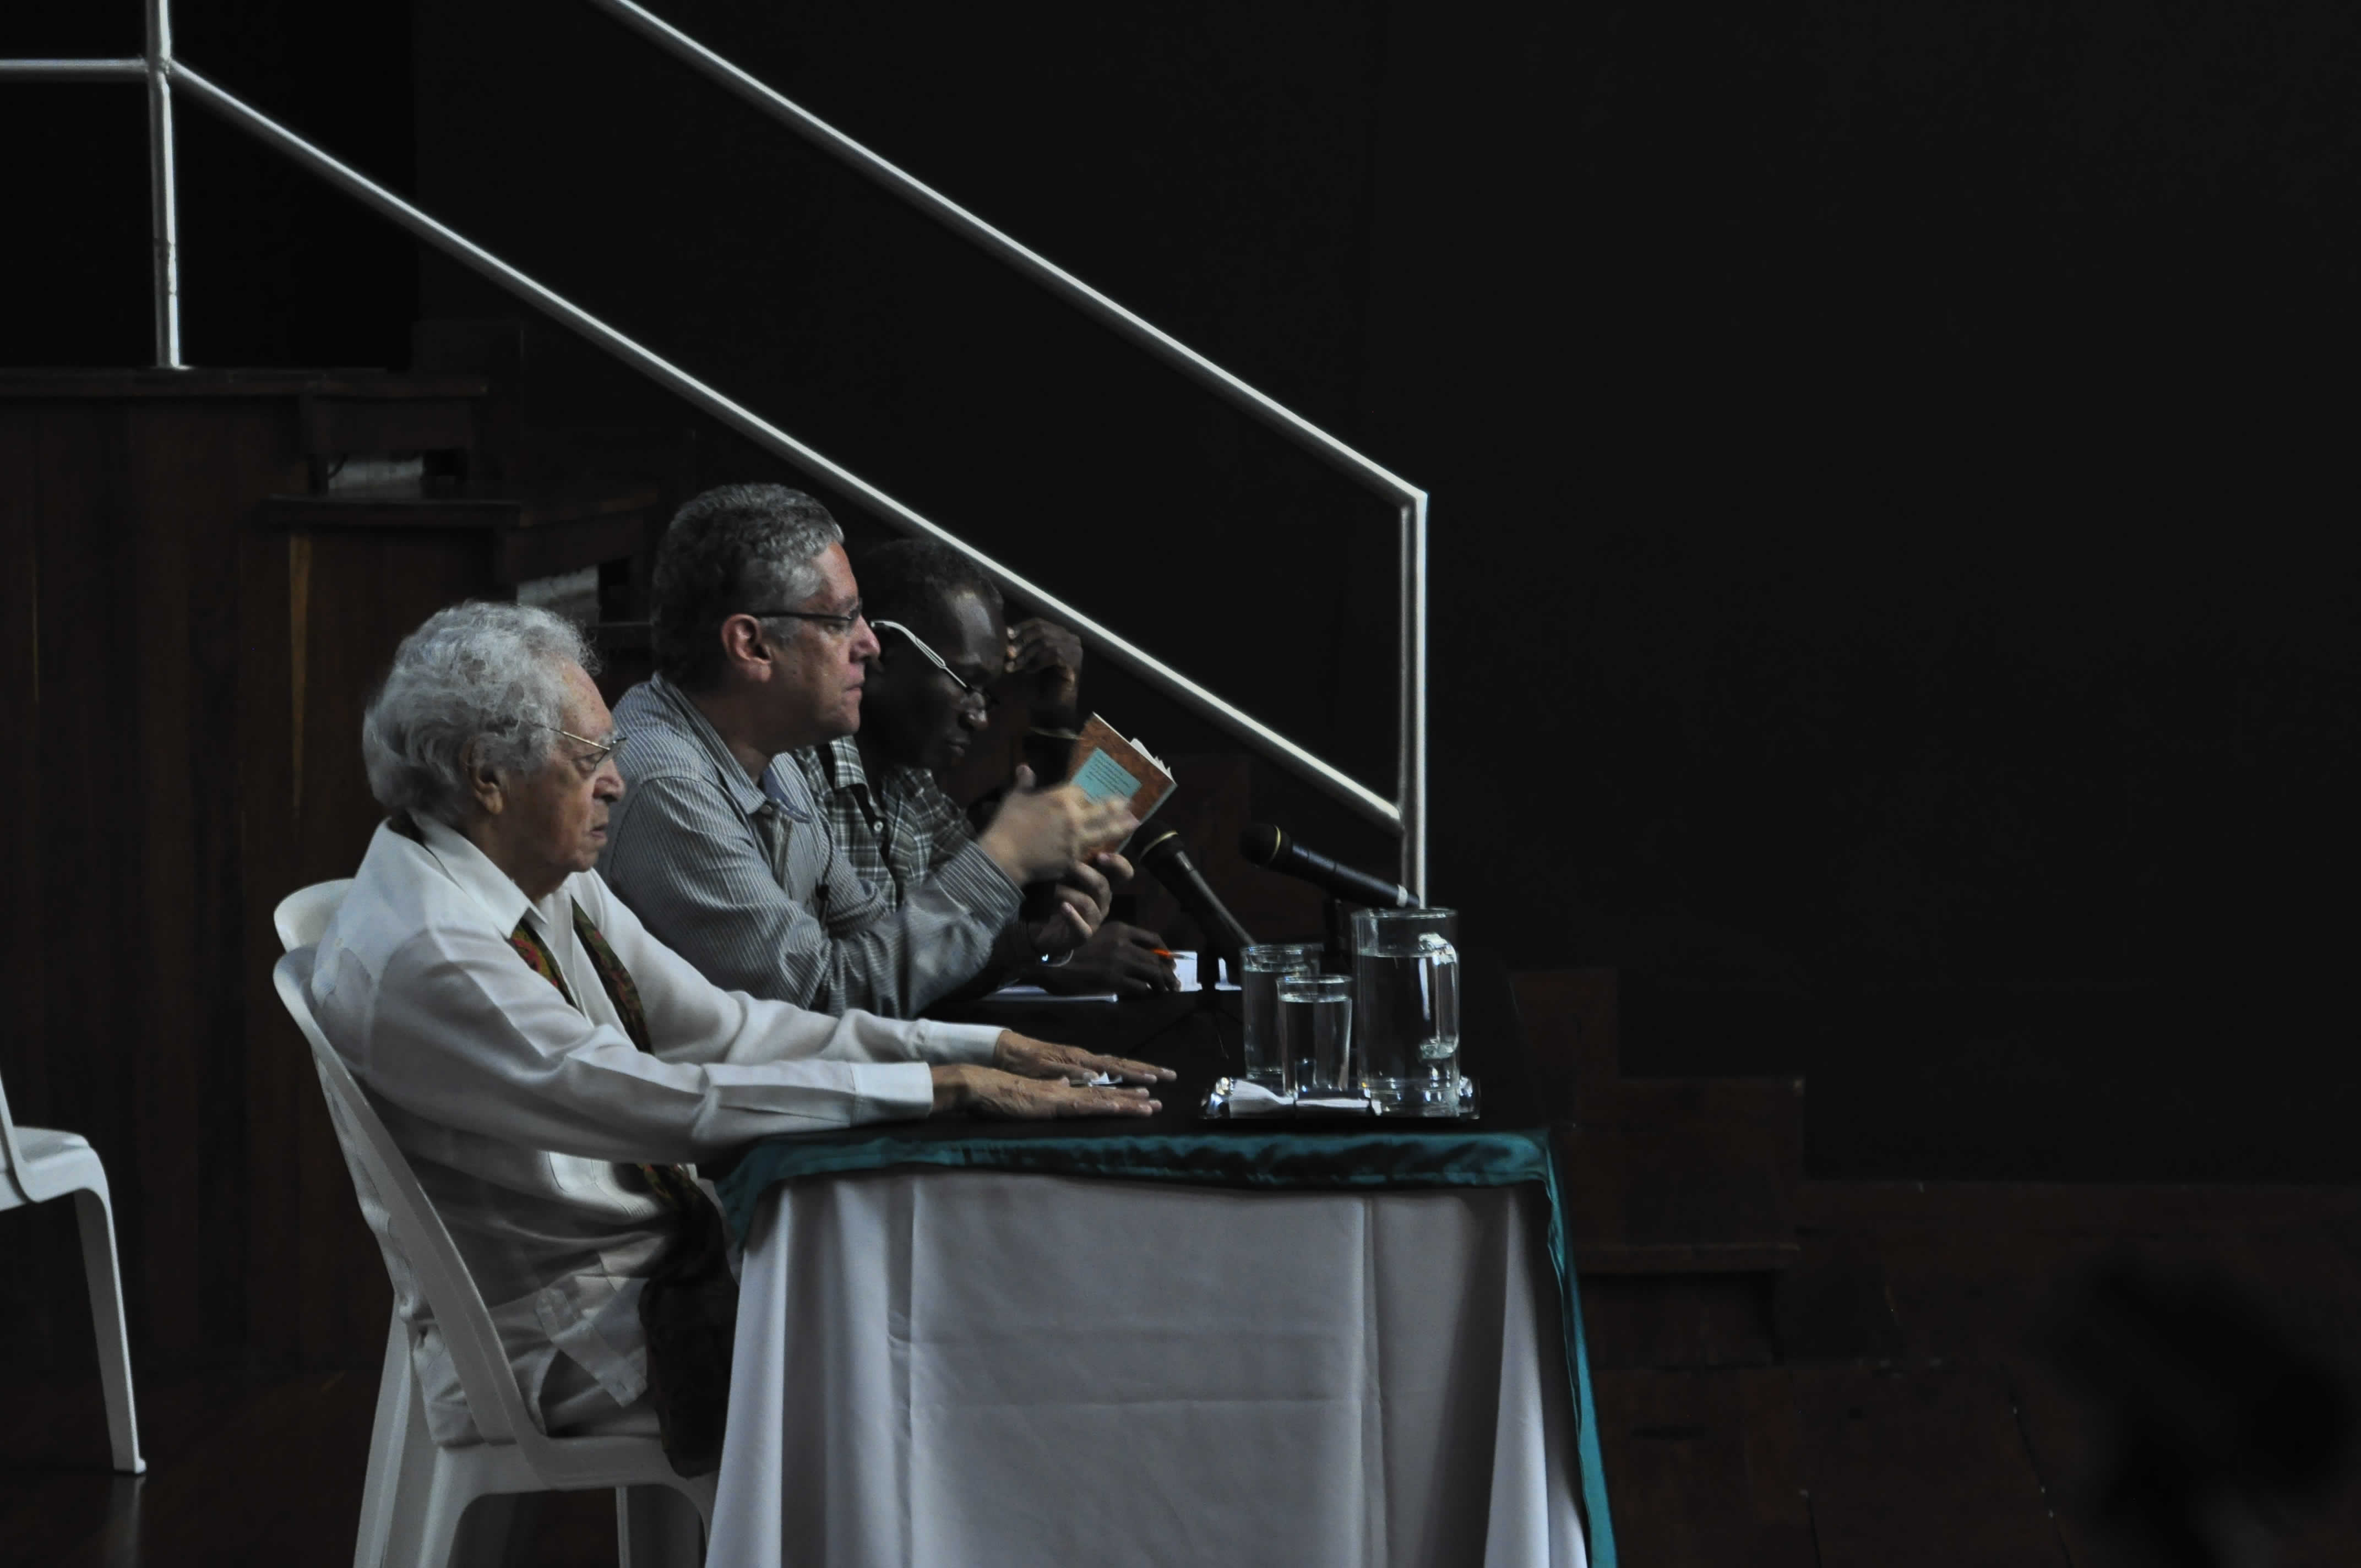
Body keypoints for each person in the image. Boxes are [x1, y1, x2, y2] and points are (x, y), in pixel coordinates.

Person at [306, 601, 1169, 1454]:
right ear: (486, 775)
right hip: (587, 1337)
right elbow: (660, 1101)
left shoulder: (531, 870)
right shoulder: (432, 952)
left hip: (659, 1271)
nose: (617, 778)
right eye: (591, 757)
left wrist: (972, 1048)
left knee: (965, 1293)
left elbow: (726, 1031)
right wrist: (939, 1088)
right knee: (958, 1346)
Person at [599, 483, 1130, 1016]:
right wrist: (1004, 856)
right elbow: (823, 1000)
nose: (869, 644)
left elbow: (879, 952)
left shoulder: (771, 758)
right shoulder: (669, 786)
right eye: (840, 621)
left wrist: (1034, 942)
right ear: (753, 645)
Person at [796, 538, 1179, 996]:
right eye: (966, 683)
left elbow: (957, 944)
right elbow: (842, 989)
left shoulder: (912, 788)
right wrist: (1044, 964)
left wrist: (1040, 944)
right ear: (884, 651)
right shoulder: (796, 777)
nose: (978, 717)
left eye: (988, 695)